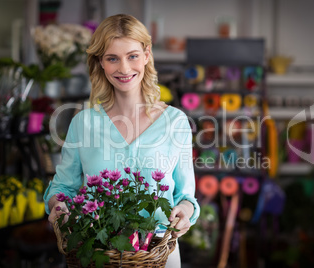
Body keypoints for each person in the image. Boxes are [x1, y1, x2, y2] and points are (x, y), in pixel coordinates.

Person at [44, 14, 200, 267]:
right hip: (97, 252)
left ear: (147, 55)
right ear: (100, 62)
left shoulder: (176, 122)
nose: (124, 69)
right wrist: (58, 206)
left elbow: (186, 196)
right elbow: (63, 188)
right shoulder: (83, 123)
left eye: (132, 56)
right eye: (112, 58)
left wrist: (186, 212)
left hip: (159, 253)